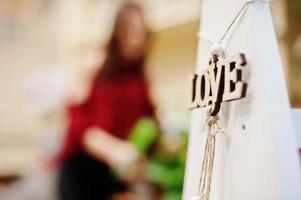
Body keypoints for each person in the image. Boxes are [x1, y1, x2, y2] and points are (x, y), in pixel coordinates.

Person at [57, 3, 155, 200]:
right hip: (82, 173)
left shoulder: (141, 79)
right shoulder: (94, 66)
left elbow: (149, 121)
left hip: (116, 175)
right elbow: (76, 123)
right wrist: (113, 150)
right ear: (117, 33)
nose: (137, 40)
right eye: (131, 32)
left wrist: (138, 159)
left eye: (141, 33)